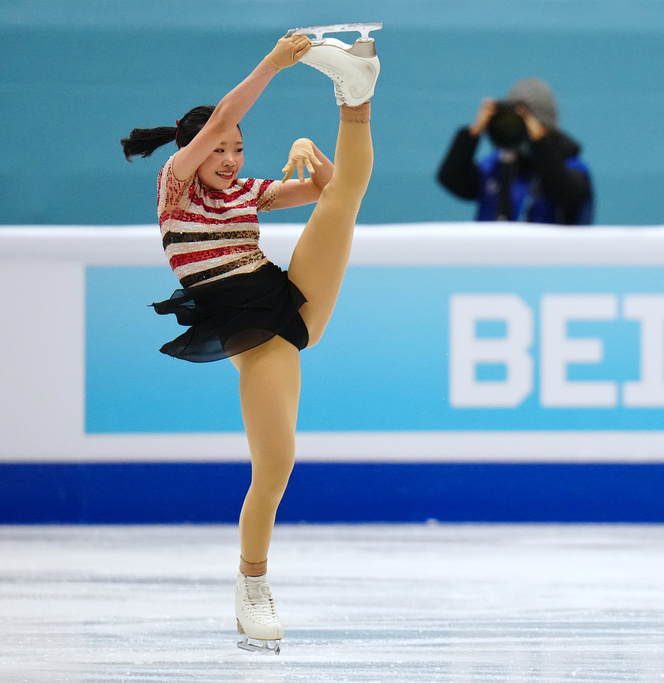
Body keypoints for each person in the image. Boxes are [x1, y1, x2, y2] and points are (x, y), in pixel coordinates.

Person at [119, 26, 381, 654]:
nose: (231, 159)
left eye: (238, 149)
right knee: (277, 463)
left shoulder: (242, 192)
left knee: (344, 199)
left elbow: (325, 189)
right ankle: (252, 584)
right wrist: (273, 63)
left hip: (289, 297)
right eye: (220, 150)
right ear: (192, 153)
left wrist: (309, 151)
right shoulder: (175, 187)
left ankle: (356, 95)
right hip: (251, 328)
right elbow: (222, 116)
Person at [437, 77, 594, 225]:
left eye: (531, 124)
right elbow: (451, 178)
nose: (526, 133)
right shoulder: (497, 167)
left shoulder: (573, 167)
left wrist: (541, 145)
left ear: (547, 128)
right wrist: (473, 133)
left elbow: (567, 195)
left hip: (553, 246)